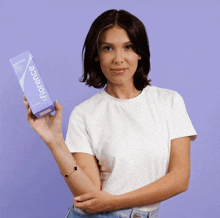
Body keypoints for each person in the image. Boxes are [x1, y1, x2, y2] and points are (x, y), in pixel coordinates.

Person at [23, 9, 197, 218]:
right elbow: (89, 195)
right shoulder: (84, 113)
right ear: (96, 55)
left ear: (140, 52)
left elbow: (180, 179)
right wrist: (55, 141)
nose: (118, 59)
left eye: (128, 47)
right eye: (108, 48)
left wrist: (115, 201)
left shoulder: (169, 101)